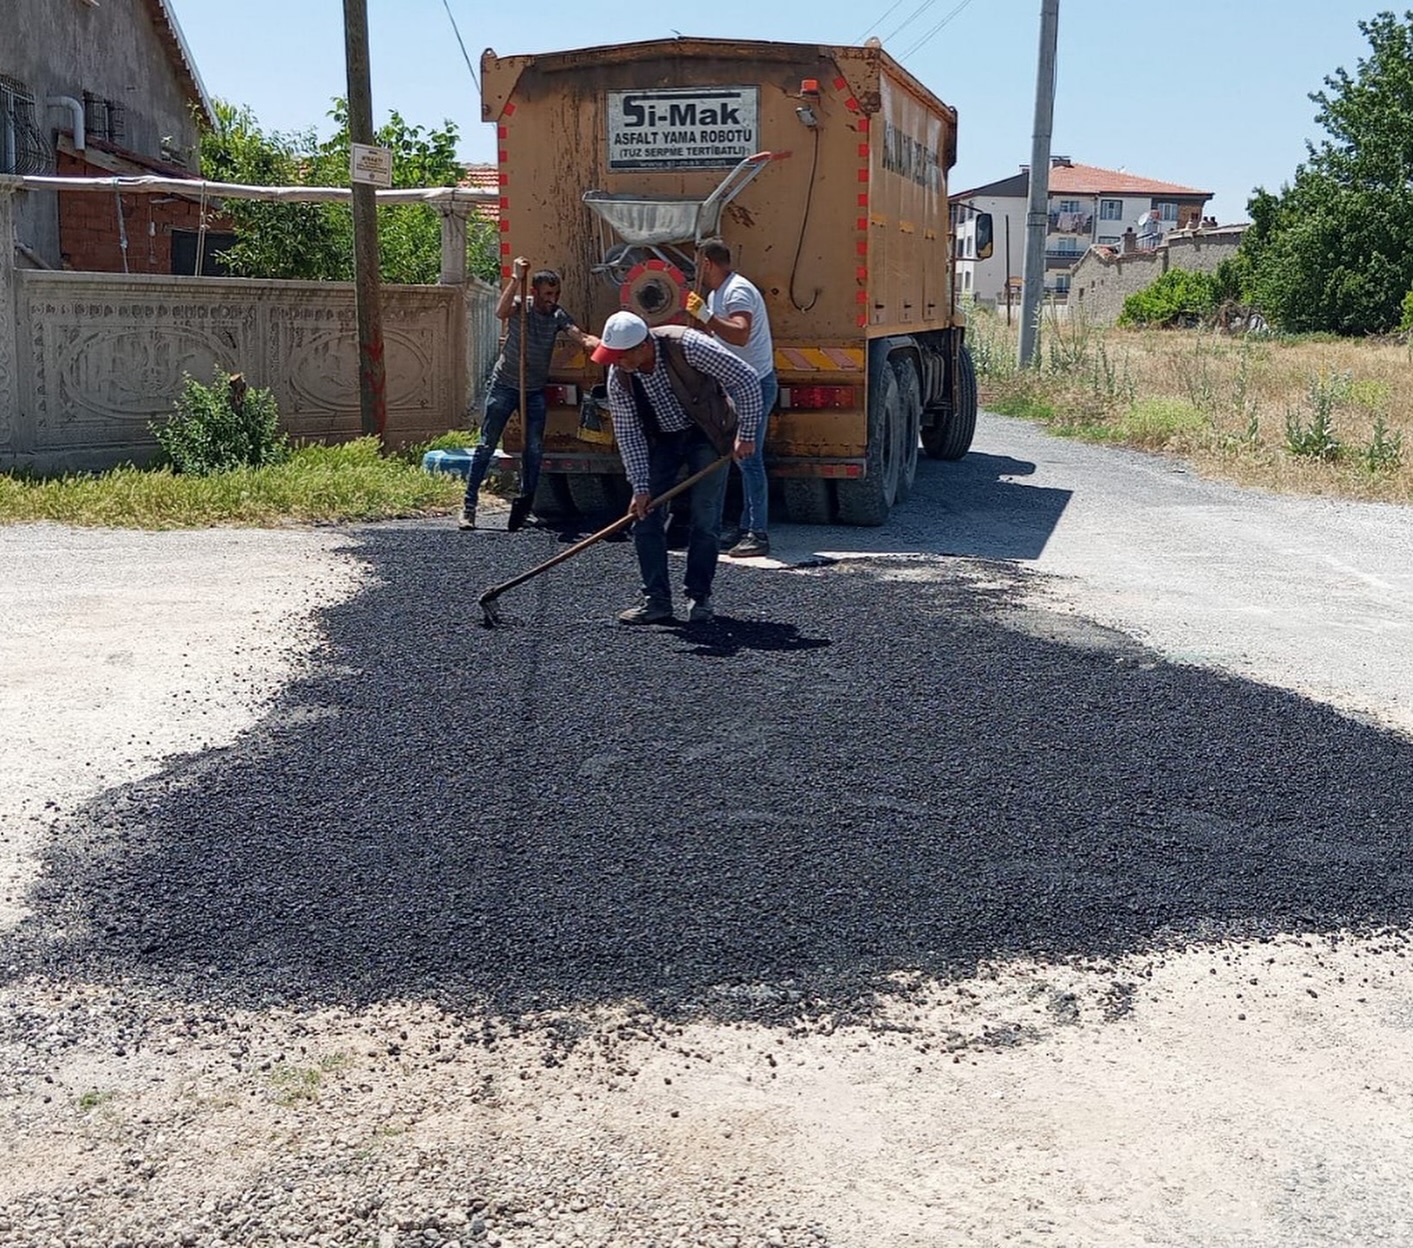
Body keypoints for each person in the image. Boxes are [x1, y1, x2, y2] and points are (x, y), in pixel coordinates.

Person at [591, 311, 764, 625]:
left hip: (708, 432)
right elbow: (629, 434)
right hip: (664, 438)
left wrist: (747, 434)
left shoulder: (688, 345)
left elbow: (747, 378)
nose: (616, 362)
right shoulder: (620, 376)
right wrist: (640, 488)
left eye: (621, 356)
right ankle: (656, 601)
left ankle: (699, 597)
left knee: (705, 517)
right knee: (643, 515)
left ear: (643, 346)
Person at [458, 258, 599, 532]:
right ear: (534, 291)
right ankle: (468, 507)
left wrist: (600, 346)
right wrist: (516, 279)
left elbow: (579, 336)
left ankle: (525, 508)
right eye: (547, 294)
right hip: (504, 385)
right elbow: (500, 312)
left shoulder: (557, 315)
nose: (552, 299)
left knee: (533, 450)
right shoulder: (521, 306)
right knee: (486, 445)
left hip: (533, 390)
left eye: (556, 293)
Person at [685, 237, 777, 559]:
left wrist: (706, 316)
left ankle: (757, 534)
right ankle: (743, 526)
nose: (696, 270)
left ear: (707, 263)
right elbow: (721, 338)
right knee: (739, 457)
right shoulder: (717, 294)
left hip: (754, 385)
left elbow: (740, 333)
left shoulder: (737, 291)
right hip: (736, 385)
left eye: (698, 264)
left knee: (749, 458)